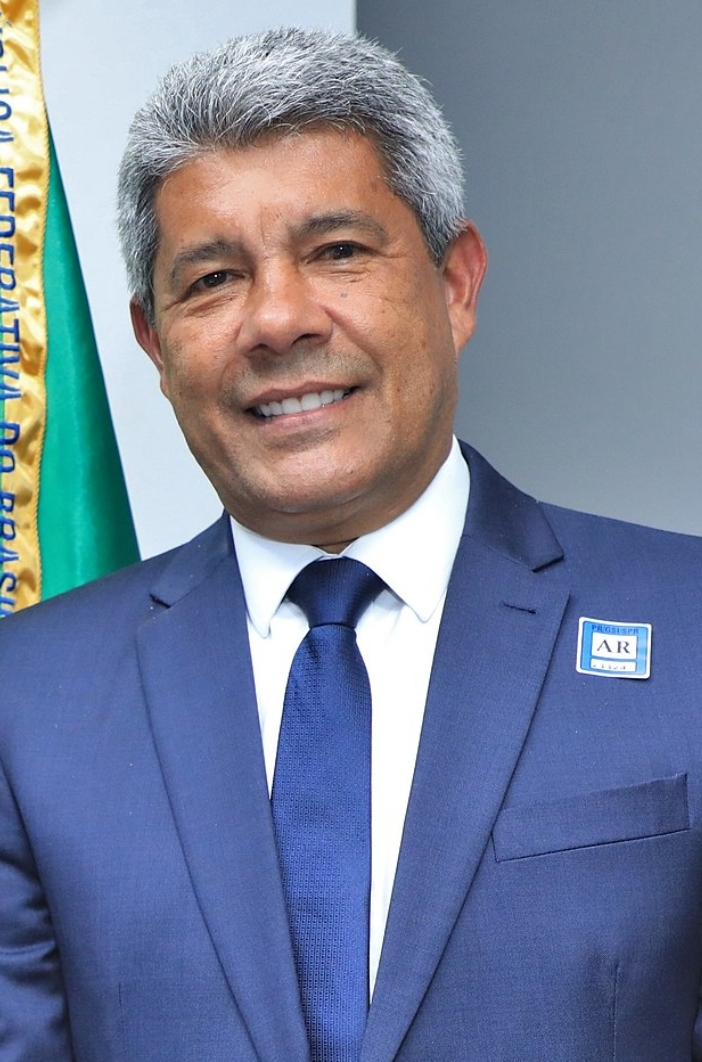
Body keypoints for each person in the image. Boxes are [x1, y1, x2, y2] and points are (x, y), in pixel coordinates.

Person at [1, 26, 702, 1062]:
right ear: (153, 343)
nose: (278, 320)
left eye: (337, 252)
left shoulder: (687, 631)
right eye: (212, 279)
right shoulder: (27, 698)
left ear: (456, 284)